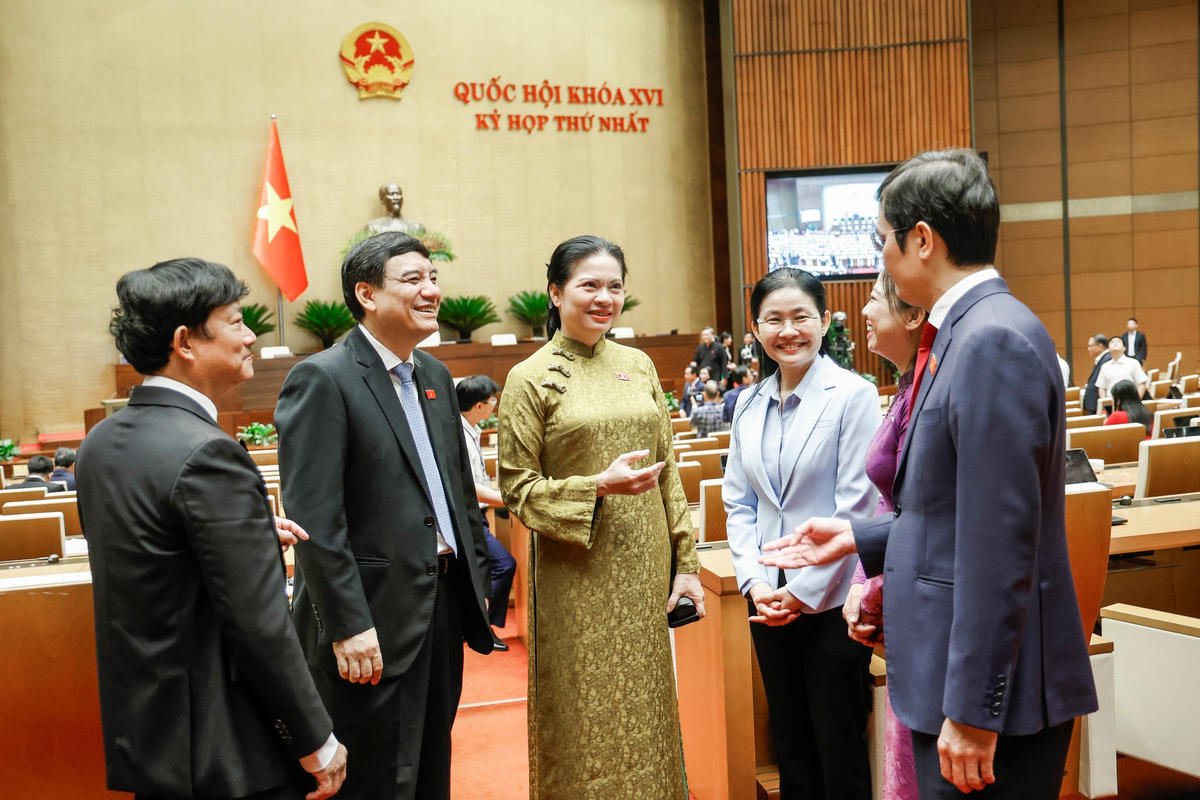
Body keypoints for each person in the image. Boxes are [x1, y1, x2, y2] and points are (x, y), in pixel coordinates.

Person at [763, 149, 1098, 799]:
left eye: (881, 240)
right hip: (950, 671)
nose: (880, 257)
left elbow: (1001, 543)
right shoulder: (963, 334)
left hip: (984, 696)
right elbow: (952, 509)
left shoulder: (989, 340)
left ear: (922, 240)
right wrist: (859, 537)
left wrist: (974, 711)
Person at [75, 258, 346, 800]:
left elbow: (153, 559)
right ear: (186, 342)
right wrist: (316, 739)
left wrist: (242, 530)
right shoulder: (208, 454)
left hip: (151, 733)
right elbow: (258, 624)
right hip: (226, 748)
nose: (249, 337)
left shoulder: (100, 443)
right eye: (235, 321)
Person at [275, 232, 493, 800]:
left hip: (441, 604)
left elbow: (458, 496)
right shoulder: (323, 377)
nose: (431, 291)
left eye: (433, 278)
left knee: (430, 765)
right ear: (366, 294)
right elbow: (313, 518)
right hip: (370, 613)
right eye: (413, 279)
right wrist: (346, 622)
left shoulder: (436, 377)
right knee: (378, 776)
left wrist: (477, 584)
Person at [498, 234, 704, 799]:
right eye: (589, 285)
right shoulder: (530, 377)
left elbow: (668, 472)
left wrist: (685, 564)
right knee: (582, 717)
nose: (604, 298)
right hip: (575, 581)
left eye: (614, 286)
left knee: (650, 712)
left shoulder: (637, 365)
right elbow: (516, 488)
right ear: (555, 291)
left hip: (644, 574)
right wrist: (597, 487)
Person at [723, 267, 880, 800]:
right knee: (790, 740)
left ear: (826, 321)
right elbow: (739, 505)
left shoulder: (852, 396)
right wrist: (757, 584)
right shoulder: (746, 402)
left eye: (801, 318)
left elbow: (855, 506)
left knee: (837, 744)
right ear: (755, 328)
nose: (788, 331)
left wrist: (800, 592)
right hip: (767, 601)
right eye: (774, 319)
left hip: (832, 603)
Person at [844, 269, 927, 800]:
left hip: (917, 597)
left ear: (914, 314)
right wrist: (860, 579)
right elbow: (887, 500)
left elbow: (926, 514)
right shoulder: (906, 384)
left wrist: (871, 590)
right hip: (894, 590)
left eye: (874, 300)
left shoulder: (930, 387)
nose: (864, 312)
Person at [455, 374, 518, 651]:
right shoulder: (460, 435)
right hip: (469, 516)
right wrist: (506, 499)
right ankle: (479, 627)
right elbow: (470, 489)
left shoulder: (471, 429)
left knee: (485, 571)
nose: (495, 404)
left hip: (476, 514)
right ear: (479, 406)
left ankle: (481, 627)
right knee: (502, 564)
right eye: (493, 400)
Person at [1097, 336, 1148, 402]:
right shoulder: (1105, 366)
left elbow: (1141, 383)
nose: (1115, 343)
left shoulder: (1133, 363)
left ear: (1124, 348)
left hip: (1130, 402)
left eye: (1118, 341)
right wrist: (1105, 403)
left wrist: (1136, 402)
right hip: (1111, 404)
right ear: (1108, 349)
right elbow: (1101, 387)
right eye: (1112, 342)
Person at [1081, 334, 1110, 414]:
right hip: (1094, 404)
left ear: (1100, 346)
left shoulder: (1107, 359)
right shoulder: (1103, 358)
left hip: (1098, 404)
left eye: (1090, 346)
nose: (1088, 349)